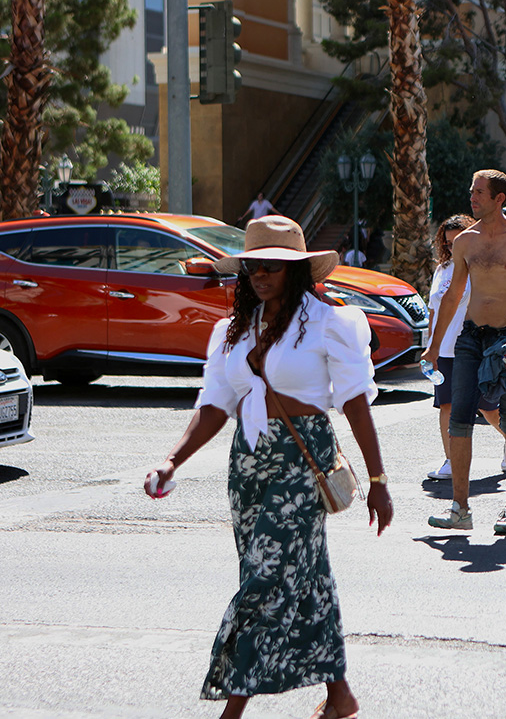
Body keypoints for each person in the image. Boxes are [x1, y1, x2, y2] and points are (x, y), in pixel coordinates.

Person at [143, 216, 393, 719]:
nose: (260, 275)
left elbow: (354, 402)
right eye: (252, 267)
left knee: (267, 578)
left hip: (303, 462)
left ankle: (232, 709)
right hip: (248, 463)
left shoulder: (329, 322)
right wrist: (172, 460)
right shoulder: (232, 331)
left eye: (272, 267)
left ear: (295, 270)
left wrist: (378, 480)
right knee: (303, 576)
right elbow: (215, 405)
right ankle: (340, 695)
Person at [423, 169, 506, 534]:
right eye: (471, 191)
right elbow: (452, 295)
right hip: (471, 337)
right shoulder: (465, 242)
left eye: (479, 193)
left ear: (498, 198)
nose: (472, 197)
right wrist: (433, 347)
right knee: (459, 419)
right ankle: (460, 509)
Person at [425, 213, 506, 481]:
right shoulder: (442, 269)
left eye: (458, 241)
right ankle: (451, 461)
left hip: (474, 348)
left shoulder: (483, 267)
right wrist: (430, 346)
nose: (453, 247)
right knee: (446, 405)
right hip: (444, 350)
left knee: (488, 408)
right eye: (448, 243)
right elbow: (433, 311)